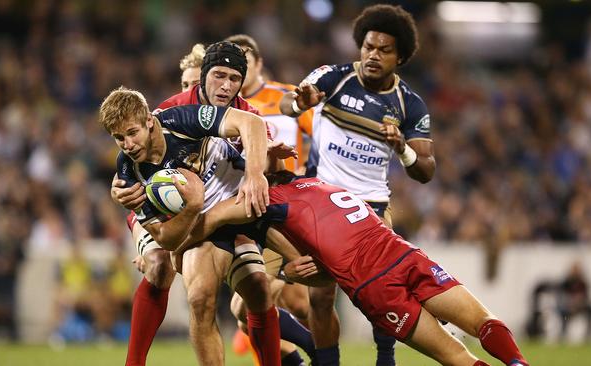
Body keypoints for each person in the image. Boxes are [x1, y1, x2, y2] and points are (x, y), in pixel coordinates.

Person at [173, 171, 530, 366]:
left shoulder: (273, 199)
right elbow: (335, 249)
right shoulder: (323, 182)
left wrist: (171, 236)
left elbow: (214, 218)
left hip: (376, 286)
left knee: (455, 356)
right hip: (404, 254)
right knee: (483, 322)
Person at [279, 4, 435, 364]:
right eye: (368, 47)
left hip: (372, 207)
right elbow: (291, 101)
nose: (373, 55)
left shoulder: (409, 105)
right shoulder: (334, 78)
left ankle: (385, 357)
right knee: (319, 298)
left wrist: (403, 149)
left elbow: (426, 169)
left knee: (382, 295)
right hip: (320, 202)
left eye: (384, 50)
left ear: (400, 56)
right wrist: (297, 104)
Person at [100, 79, 282, 366]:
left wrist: (257, 172)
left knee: (260, 288)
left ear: (148, 122)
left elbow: (253, 126)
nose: (128, 144)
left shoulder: (187, 116)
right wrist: (192, 207)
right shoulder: (128, 173)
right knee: (194, 294)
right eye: (119, 138)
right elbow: (167, 239)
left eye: (131, 134)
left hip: (234, 203)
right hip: (192, 221)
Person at [226, 33, 317, 365]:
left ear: (259, 63)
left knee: (262, 303)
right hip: (254, 211)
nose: (236, 72)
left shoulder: (285, 98)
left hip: (292, 206)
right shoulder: (226, 110)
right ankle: (319, 355)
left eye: (244, 64)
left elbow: (320, 138)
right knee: (294, 304)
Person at [557, 261, 591, 342]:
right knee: (563, 312)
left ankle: (588, 337)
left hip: (580, 305)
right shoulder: (565, 282)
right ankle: (563, 336)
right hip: (567, 306)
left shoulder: (583, 282)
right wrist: (570, 302)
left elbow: (586, 296)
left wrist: (580, 301)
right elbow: (561, 296)